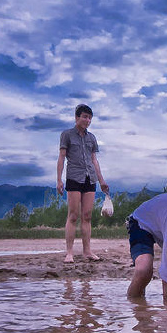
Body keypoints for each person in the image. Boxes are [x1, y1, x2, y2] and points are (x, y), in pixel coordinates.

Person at [56, 103, 108, 262]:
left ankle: (87, 251)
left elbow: (94, 160)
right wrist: (59, 180)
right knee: (73, 215)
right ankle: (69, 252)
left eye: (90, 118)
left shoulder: (91, 138)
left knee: (87, 216)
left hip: (90, 178)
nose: (87, 120)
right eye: (85, 117)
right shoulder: (67, 135)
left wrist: (101, 180)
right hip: (74, 177)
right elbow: (62, 157)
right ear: (77, 117)